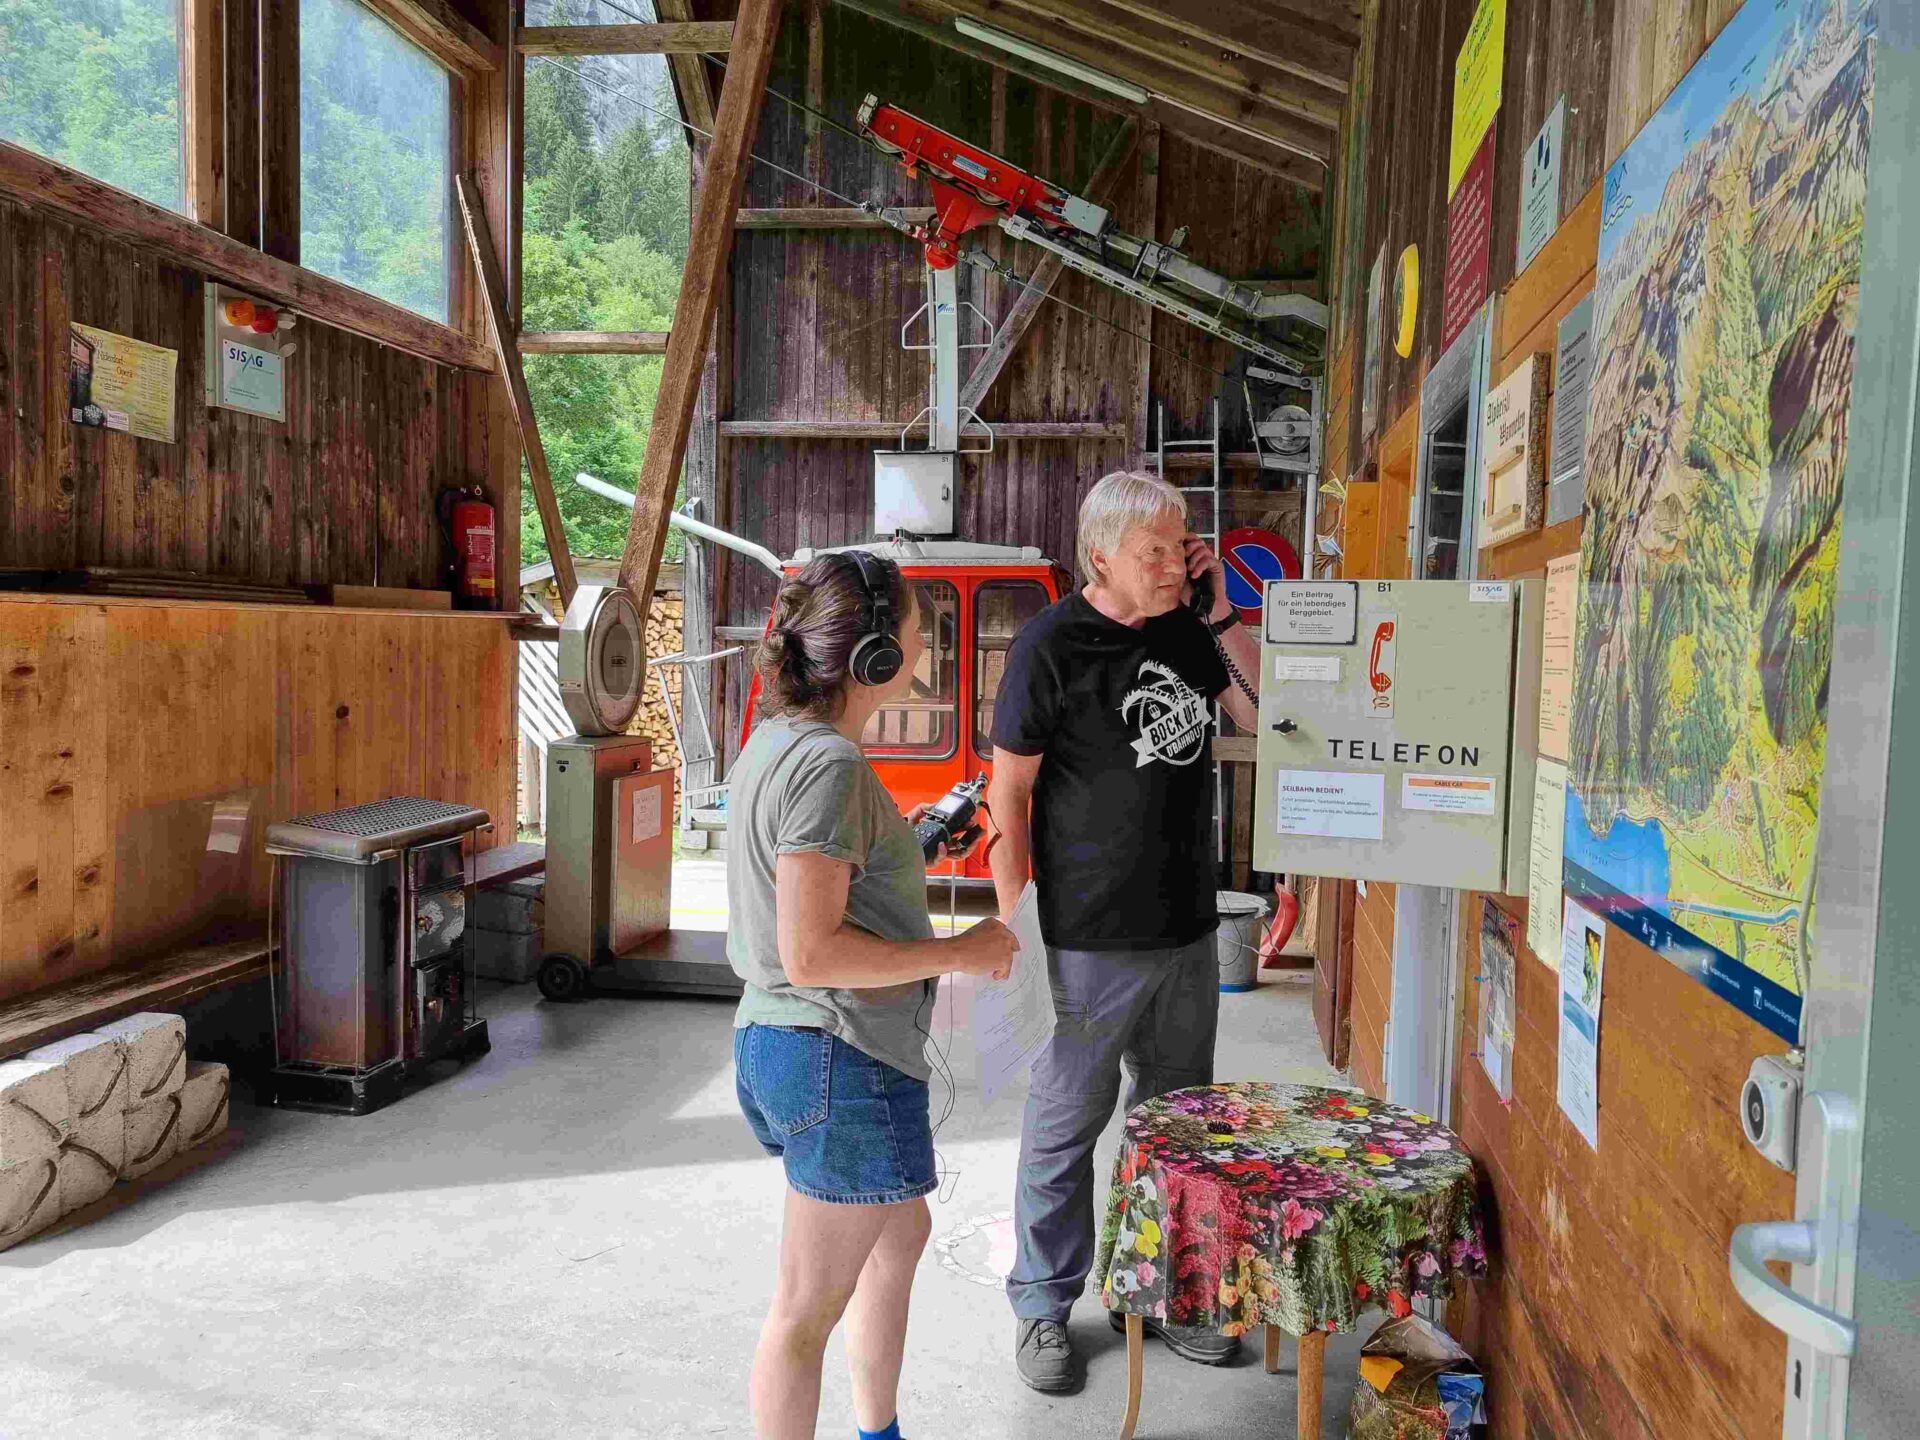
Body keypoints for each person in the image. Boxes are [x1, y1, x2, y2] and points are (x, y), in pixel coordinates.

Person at [729, 551, 1019, 1440]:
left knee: (900, 1233)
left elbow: (830, 888)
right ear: (875, 660)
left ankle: (877, 1430)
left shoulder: (780, 745)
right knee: (803, 1312)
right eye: (917, 631)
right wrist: (959, 951)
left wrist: (919, 847)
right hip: (835, 1053)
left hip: (796, 1047)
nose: (926, 647)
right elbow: (812, 952)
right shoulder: (830, 769)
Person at [987, 471, 1262, 1392]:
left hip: (1187, 930)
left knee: (1179, 1127)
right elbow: (1009, 796)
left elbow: (1266, 722)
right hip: (1082, 938)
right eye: (1155, 553)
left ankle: (1165, 1296)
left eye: (1180, 548)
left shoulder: (1191, 629)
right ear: (1100, 553)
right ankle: (1042, 1307)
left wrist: (1223, 614)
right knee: (1066, 1124)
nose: (1173, 568)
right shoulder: (1049, 647)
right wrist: (1014, 923)